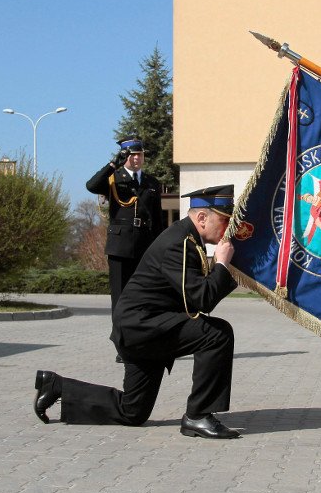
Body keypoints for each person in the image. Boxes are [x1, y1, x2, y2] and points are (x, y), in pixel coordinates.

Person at [33, 185, 241, 439]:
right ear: (201, 218)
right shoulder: (180, 243)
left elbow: (198, 295)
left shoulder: (187, 239)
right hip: (143, 327)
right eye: (225, 220)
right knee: (217, 334)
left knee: (133, 411)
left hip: (145, 327)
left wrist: (226, 267)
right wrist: (221, 263)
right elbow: (202, 299)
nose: (228, 228)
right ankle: (198, 415)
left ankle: (56, 386)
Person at [86, 137, 164, 312]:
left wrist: (160, 247)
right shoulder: (114, 178)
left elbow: (157, 218)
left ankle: (139, 333)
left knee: (143, 294)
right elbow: (91, 186)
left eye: (139, 154)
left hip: (145, 245)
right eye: (131, 155)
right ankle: (120, 337)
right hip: (120, 246)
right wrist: (113, 164)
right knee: (120, 296)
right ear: (124, 157)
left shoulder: (152, 182)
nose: (136, 158)